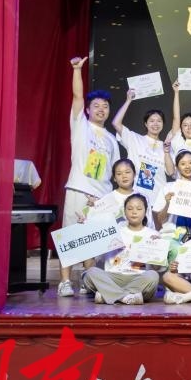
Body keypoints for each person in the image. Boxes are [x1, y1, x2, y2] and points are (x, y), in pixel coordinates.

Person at [59, 57, 119, 297]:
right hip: (78, 189)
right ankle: (65, 282)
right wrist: (77, 70)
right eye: (96, 105)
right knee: (71, 236)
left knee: (92, 242)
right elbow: (77, 97)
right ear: (87, 109)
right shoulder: (81, 126)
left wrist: (107, 199)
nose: (101, 109)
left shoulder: (112, 140)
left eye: (105, 106)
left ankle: (88, 280)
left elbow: (115, 172)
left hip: (101, 196)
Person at [81, 194, 167, 305]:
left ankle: (108, 295)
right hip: (112, 277)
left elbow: (157, 268)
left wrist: (156, 247)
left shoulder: (153, 235)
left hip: (138, 278)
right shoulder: (113, 231)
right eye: (130, 209)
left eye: (139, 209)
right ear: (124, 212)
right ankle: (126, 297)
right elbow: (90, 263)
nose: (134, 212)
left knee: (153, 276)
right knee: (90, 273)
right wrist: (84, 230)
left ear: (145, 212)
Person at [111, 89, 168, 208]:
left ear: (163, 124)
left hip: (159, 200)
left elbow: (171, 172)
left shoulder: (166, 147)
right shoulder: (134, 139)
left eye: (159, 121)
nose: (155, 124)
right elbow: (116, 123)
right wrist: (128, 100)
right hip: (136, 200)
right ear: (146, 124)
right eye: (151, 121)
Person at [87, 159, 147, 225]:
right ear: (114, 178)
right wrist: (89, 211)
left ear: (134, 174)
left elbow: (149, 224)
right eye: (119, 174)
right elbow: (94, 223)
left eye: (127, 172)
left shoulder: (143, 198)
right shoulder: (107, 199)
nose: (124, 176)